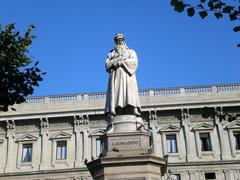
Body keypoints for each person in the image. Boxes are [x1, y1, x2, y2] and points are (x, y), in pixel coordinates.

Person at [105, 33, 141, 116]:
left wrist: (122, 62)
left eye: (121, 40)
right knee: (117, 94)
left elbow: (134, 62)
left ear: (124, 41)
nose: (119, 42)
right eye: (118, 40)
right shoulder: (111, 54)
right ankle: (118, 110)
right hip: (116, 77)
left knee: (130, 93)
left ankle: (133, 108)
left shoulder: (131, 52)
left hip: (128, 76)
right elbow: (107, 65)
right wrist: (114, 62)